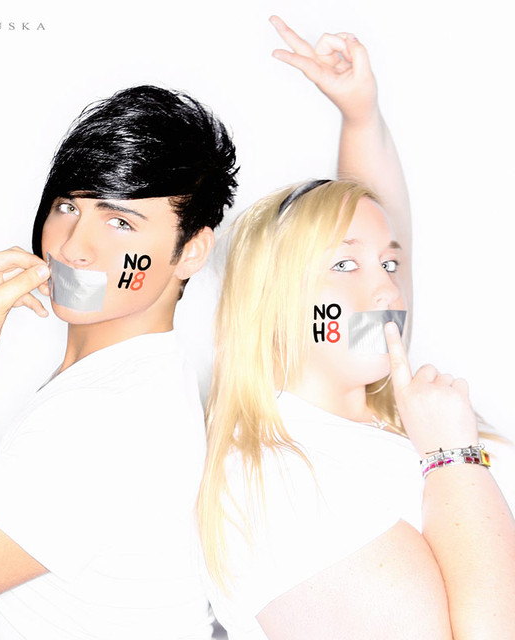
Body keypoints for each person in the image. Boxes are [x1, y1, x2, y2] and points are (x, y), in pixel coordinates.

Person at [0, 85, 238, 638]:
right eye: (68, 206)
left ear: (190, 251)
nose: (71, 247)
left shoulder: (104, 421)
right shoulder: (137, 378)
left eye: (120, 222)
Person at [198, 21, 515, 640]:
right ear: (275, 300)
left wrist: (360, 117)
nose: (387, 292)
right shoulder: (274, 482)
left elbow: (379, 231)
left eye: (391, 266)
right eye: (344, 266)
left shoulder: (383, 405)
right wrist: (452, 457)